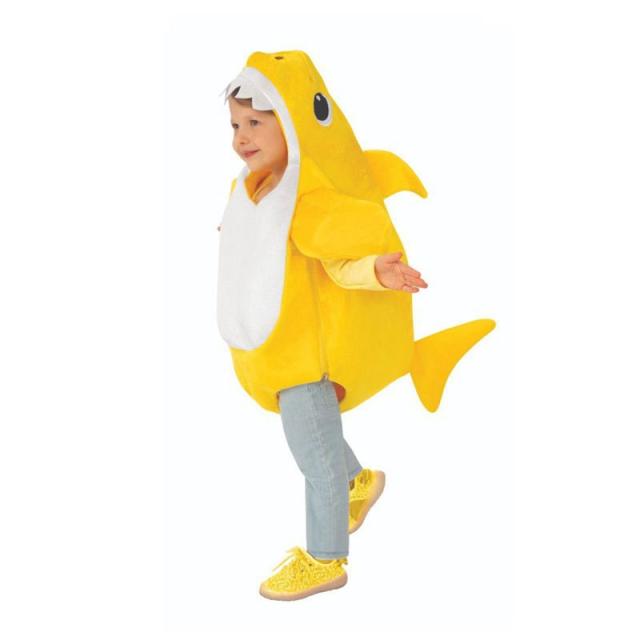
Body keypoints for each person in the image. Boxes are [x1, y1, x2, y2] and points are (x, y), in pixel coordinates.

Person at [222, 87, 428, 601]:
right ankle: (358, 483)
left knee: (313, 457)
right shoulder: (250, 191)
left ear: (289, 125)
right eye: (235, 126)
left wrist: (376, 271)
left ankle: (326, 557)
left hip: (305, 357)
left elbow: (337, 261)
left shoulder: (302, 197)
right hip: (276, 353)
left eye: (255, 123)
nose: (242, 137)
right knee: (315, 439)